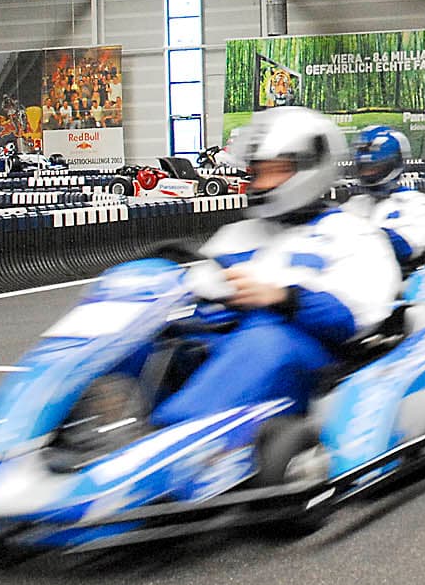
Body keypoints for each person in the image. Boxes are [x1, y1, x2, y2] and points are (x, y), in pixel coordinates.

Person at [144, 106, 400, 426]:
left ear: (310, 167)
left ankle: (169, 439)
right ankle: (76, 420)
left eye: (274, 170)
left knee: (263, 341)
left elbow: (356, 315)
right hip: (220, 342)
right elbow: (201, 284)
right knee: (146, 329)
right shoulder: (237, 233)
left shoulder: (354, 234)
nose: (260, 182)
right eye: (257, 172)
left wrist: (283, 297)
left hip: (301, 352)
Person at [347, 125, 425, 268]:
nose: (368, 174)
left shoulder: (417, 203)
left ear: (394, 164)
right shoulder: (354, 205)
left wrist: (362, 232)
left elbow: (410, 248)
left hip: (402, 281)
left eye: (374, 168)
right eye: (365, 169)